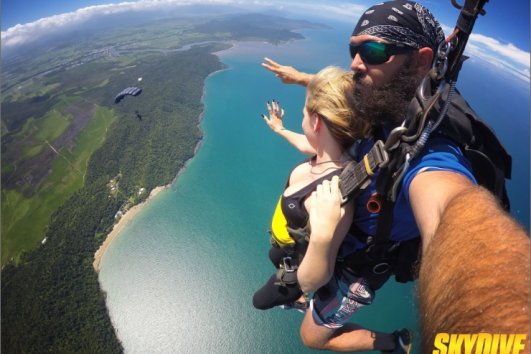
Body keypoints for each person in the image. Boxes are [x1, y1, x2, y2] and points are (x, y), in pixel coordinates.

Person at [261, 1, 530, 352]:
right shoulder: (384, 98)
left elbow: (454, 209)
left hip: (353, 273)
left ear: (419, 61)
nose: (356, 63)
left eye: (373, 51)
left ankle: (390, 343)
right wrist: (303, 79)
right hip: (334, 248)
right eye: (353, 49)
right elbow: (353, 89)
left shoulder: (431, 152)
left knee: (311, 337)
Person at [252, 66, 371, 312]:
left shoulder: (332, 193)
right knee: (274, 256)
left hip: (301, 267)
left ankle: (299, 302)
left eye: (304, 112)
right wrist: (280, 129)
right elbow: (308, 145)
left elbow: (313, 279)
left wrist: (322, 236)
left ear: (316, 121)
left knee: (260, 301)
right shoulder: (332, 152)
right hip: (286, 245)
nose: (302, 117)